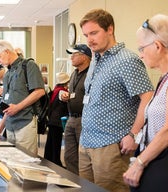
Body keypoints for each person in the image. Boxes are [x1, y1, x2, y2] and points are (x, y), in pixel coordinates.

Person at [78, 9, 154, 191]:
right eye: (86, 35)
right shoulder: (96, 58)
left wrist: (133, 134)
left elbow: (148, 97)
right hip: (86, 141)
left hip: (110, 145)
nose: (89, 40)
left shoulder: (126, 60)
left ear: (110, 29)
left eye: (94, 33)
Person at [123, 14, 168, 191]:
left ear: (157, 46)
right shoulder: (163, 79)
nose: (140, 55)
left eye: (142, 49)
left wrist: (139, 163)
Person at [0, 40, 45, 155]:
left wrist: (18, 107)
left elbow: (39, 91)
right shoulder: (8, 73)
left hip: (25, 122)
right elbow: (7, 105)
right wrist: (0, 127)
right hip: (10, 125)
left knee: (26, 163)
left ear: (7, 52)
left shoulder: (29, 65)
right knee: (12, 162)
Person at [61, 43, 91, 175]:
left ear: (85, 57)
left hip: (84, 120)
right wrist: (65, 96)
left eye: (74, 54)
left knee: (84, 157)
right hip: (71, 118)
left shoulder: (92, 73)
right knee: (69, 156)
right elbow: (74, 94)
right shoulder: (74, 74)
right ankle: (74, 184)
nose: (71, 58)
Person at [43, 72, 69, 167]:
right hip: (58, 121)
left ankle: (49, 159)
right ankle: (56, 161)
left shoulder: (55, 90)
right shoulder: (63, 92)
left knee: (50, 141)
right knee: (56, 143)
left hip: (52, 119)